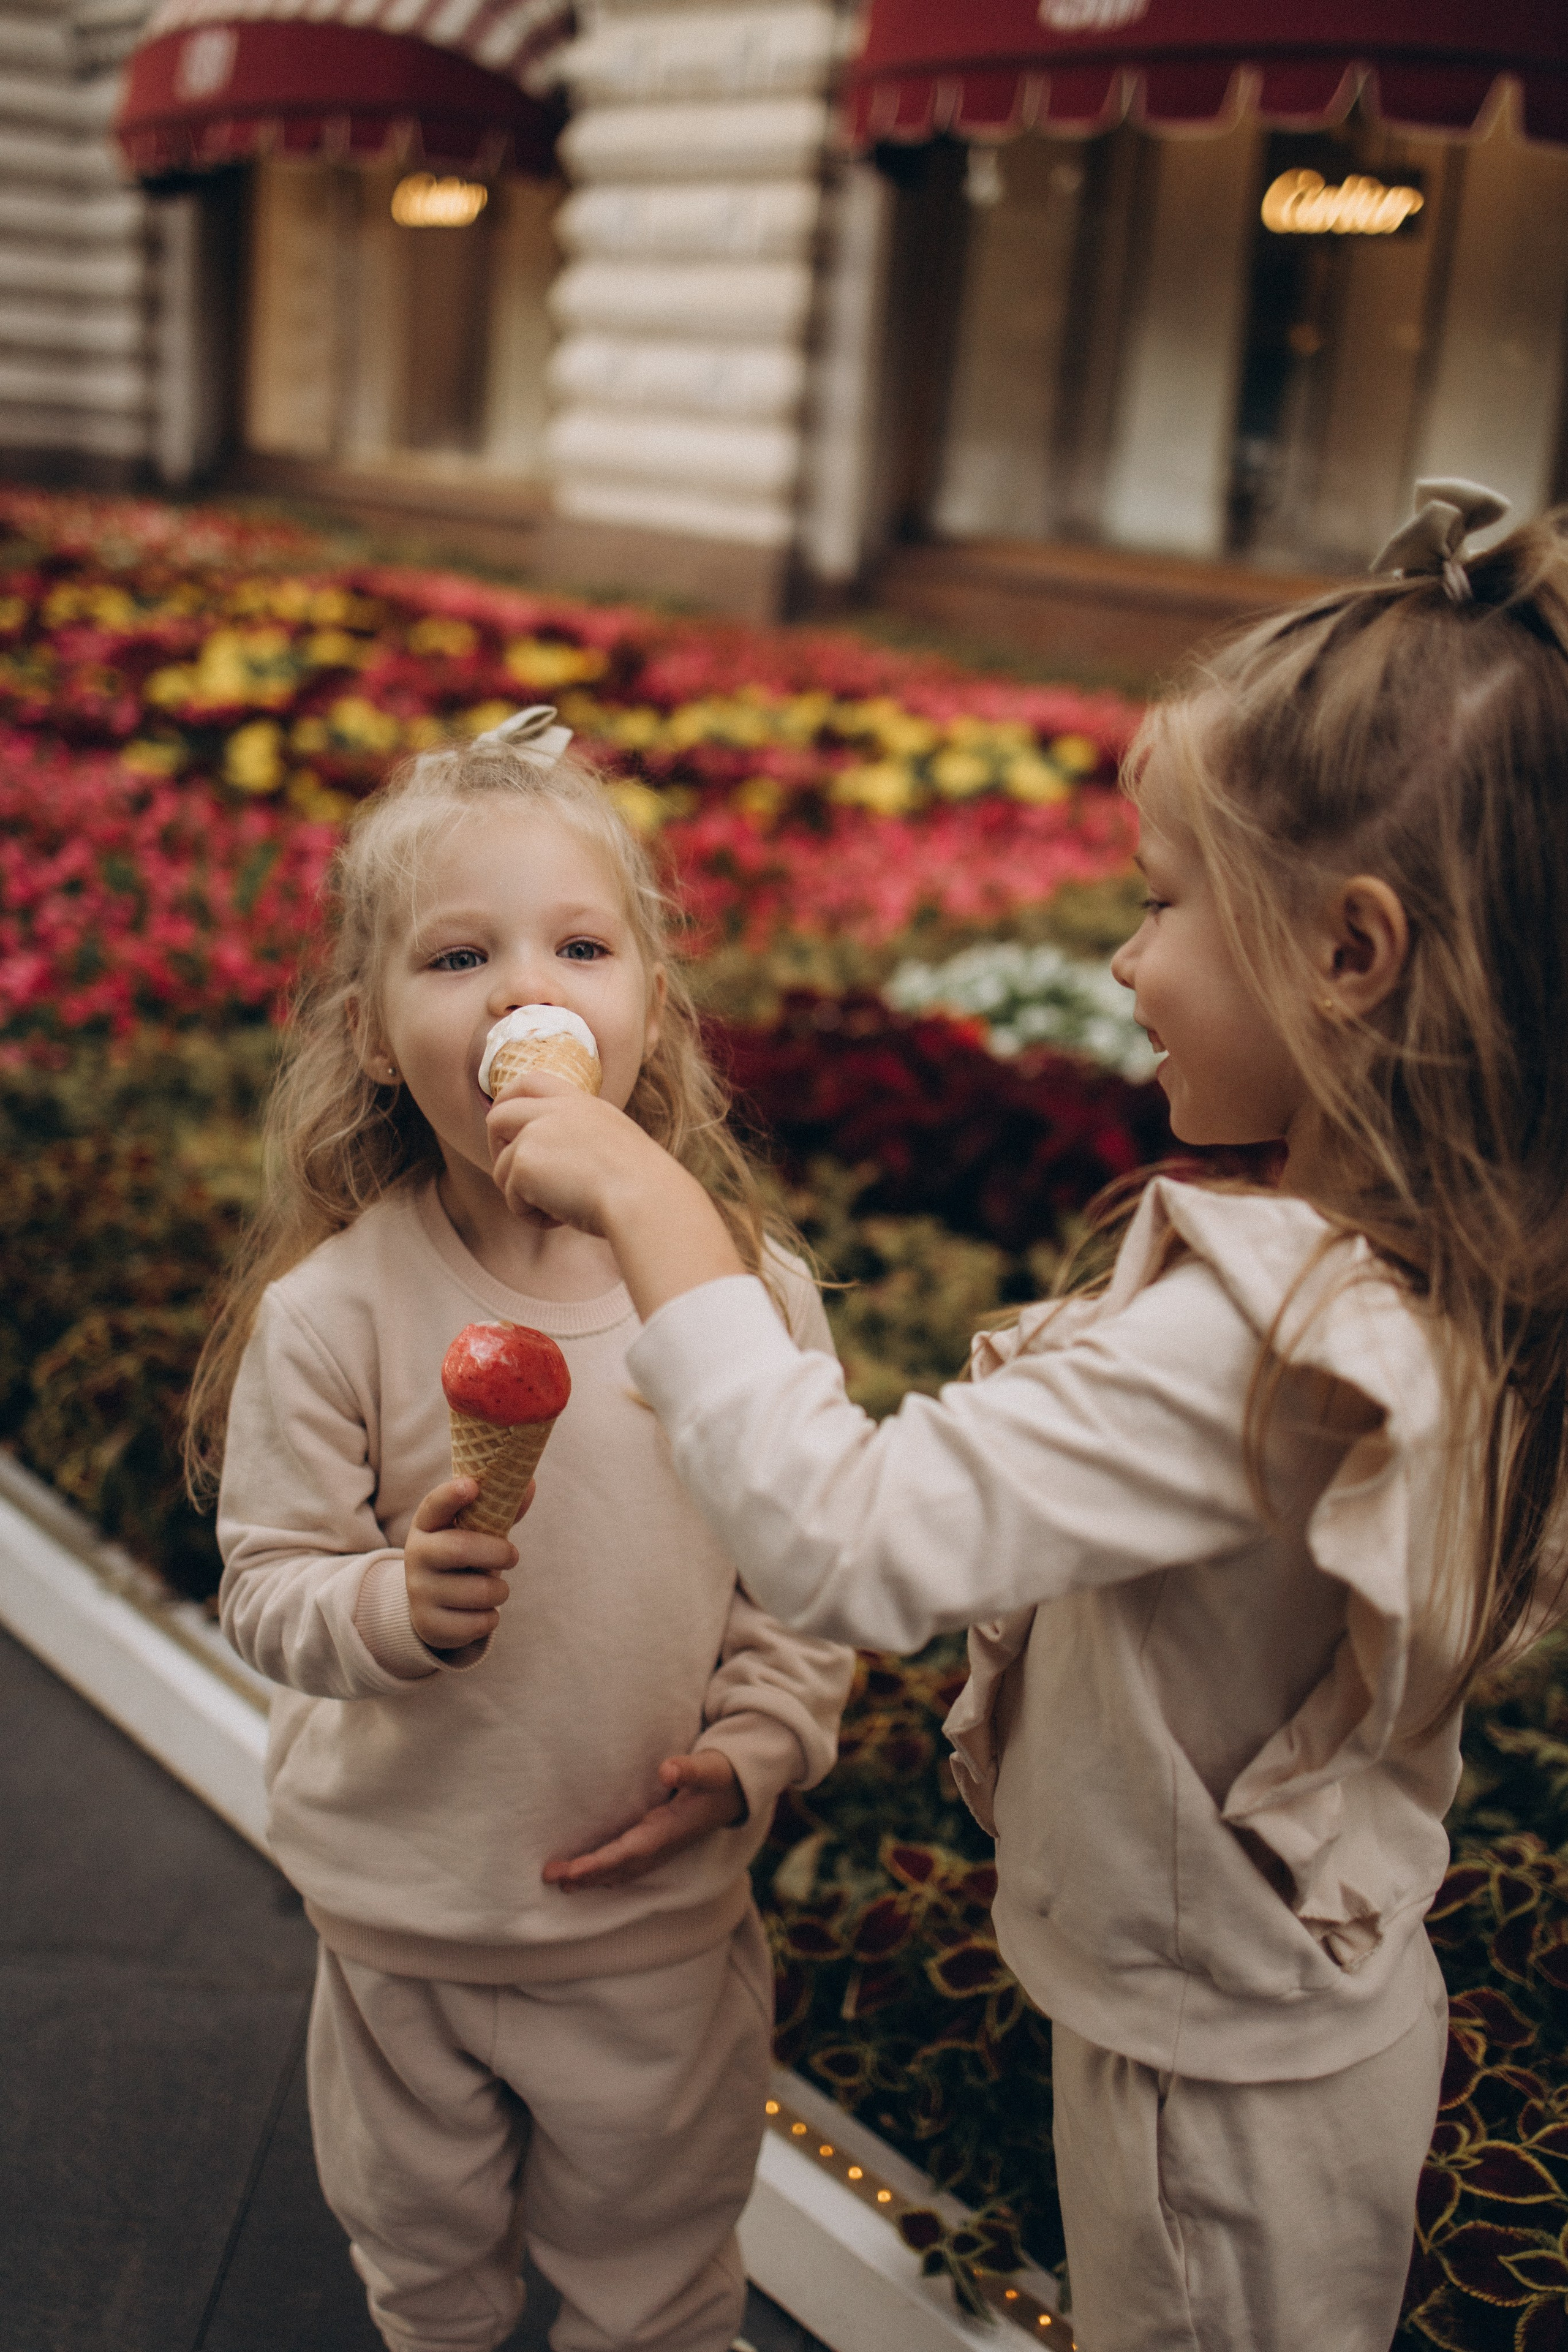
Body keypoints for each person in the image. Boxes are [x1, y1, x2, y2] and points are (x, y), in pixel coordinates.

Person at [484, 492, 1568, 2352]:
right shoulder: (1431, 1267)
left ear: (1353, 954)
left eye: (1161, 901)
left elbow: (843, 1539)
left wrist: (648, 1200)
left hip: (1214, 2105)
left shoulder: (1265, 1344)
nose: (1126, 962)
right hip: (1261, 2034)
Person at [186, 710, 854, 2352]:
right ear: (368, 1031)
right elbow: (266, 1586)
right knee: (425, 2274)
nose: (523, 994)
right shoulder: (334, 1312)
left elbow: (806, 1574)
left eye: (580, 947)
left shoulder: (744, 1299)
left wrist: (756, 1747)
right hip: (399, 1917)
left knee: (659, 2284)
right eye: (459, 955)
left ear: (651, 1005)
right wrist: (391, 1606)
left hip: (649, 1925)